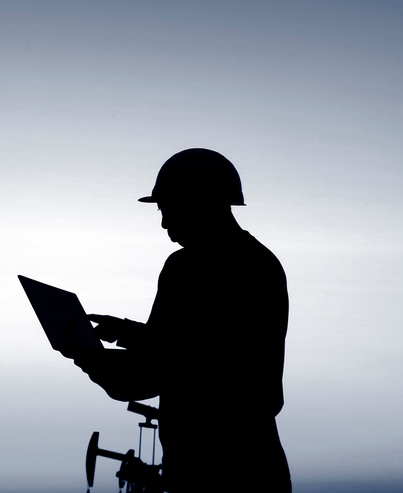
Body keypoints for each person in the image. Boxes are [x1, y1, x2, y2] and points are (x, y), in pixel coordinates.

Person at [69, 148, 291, 492]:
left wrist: (89, 354)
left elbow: (162, 369)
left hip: (220, 471)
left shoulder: (195, 269)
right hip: (245, 466)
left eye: (168, 208)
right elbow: (186, 352)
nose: (164, 223)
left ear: (198, 201)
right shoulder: (256, 263)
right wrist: (126, 337)